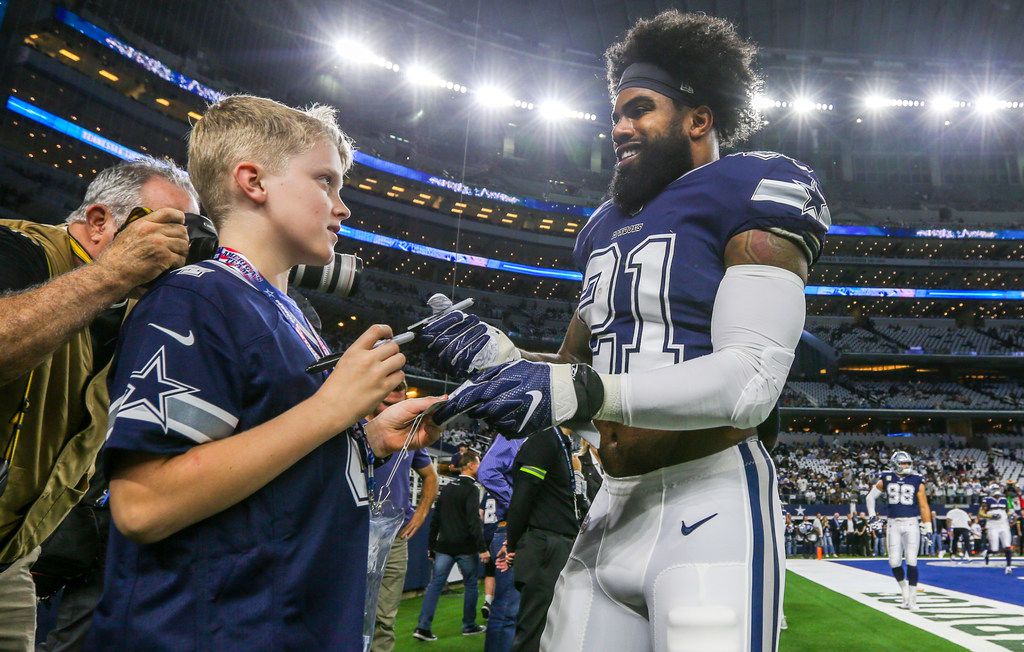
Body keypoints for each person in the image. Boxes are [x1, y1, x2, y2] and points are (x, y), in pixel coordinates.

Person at [425, 10, 828, 649]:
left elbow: (752, 380)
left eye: (640, 109)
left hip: (710, 496)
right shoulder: (602, 229)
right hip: (611, 506)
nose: (620, 127)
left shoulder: (752, 188)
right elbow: (573, 382)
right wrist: (498, 358)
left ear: (700, 118)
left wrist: (586, 392)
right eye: (615, 113)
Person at [86, 95, 443, 650]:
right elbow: (144, 502)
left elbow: (274, 457)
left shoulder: (290, 312)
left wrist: (367, 438)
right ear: (253, 181)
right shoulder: (195, 297)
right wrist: (330, 409)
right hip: (209, 631)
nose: (342, 207)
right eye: (326, 181)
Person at [0, 158, 197, 650]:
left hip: (11, 557)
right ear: (98, 221)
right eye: (163, 225)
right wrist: (110, 274)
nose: (180, 245)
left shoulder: (135, 309)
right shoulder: (18, 246)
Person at [372, 381, 440, 652]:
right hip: (353, 530)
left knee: (384, 619)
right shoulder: (351, 426)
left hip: (394, 535)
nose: (392, 405)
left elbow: (431, 477)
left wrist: (421, 514)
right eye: (387, 400)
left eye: (397, 402)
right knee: (343, 609)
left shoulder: (409, 434)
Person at [504, 427, 586, 651]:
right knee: (534, 632)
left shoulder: (561, 442)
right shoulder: (544, 439)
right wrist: (512, 543)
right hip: (545, 544)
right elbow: (522, 498)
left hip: (556, 543)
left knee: (554, 629)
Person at [414, 452, 488, 641]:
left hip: (444, 546)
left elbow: (435, 520)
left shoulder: (447, 488)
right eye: (478, 464)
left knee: (434, 585)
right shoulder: (471, 489)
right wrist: (482, 547)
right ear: (470, 465)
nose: (479, 468)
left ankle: (423, 627)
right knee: (471, 585)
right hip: (465, 547)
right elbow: (473, 521)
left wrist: (431, 546)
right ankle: (469, 626)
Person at [866, 451, 932, 610]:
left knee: (911, 560)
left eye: (908, 463)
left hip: (911, 523)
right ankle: (904, 593)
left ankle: (913, 600)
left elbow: (923, 505)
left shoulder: (917, 480)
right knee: (894, 562)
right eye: (904, 463)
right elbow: (869, 497)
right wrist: (872, 517)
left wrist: (928, 526)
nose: (907, 466)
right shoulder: (887, 477)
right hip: (893, 524)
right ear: (895, 463)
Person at [477, 436, 525, 652]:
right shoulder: (515, 433)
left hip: (522, 528)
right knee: (507, 609)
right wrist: (518, 505)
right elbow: (487, 472)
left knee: (517, 610)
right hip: (509, 527)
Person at [979, 483, 1013, 575]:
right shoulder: (987, 500)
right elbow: (981, 513)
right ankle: (987, 552)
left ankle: (1008, 566)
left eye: (997, 489)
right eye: (994, 489)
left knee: (1007, 545)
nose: (996, 491)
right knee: (995, 549)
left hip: (1003, 524)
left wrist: (1008, 515)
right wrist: (990, 515)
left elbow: (1009, 510)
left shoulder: (1004, 500)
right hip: (992, 525)